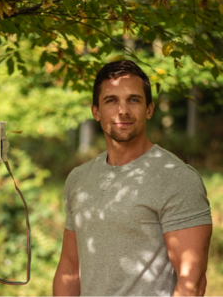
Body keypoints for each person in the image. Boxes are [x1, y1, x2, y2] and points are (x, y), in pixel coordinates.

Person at [53, 60, 212, 297]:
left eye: (133, 100)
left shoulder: (177, 178)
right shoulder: (79, 179)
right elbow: (70, 269)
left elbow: (192, 284)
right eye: (111, 100)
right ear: (95, 111)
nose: (123, 110)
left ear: (149, 109)